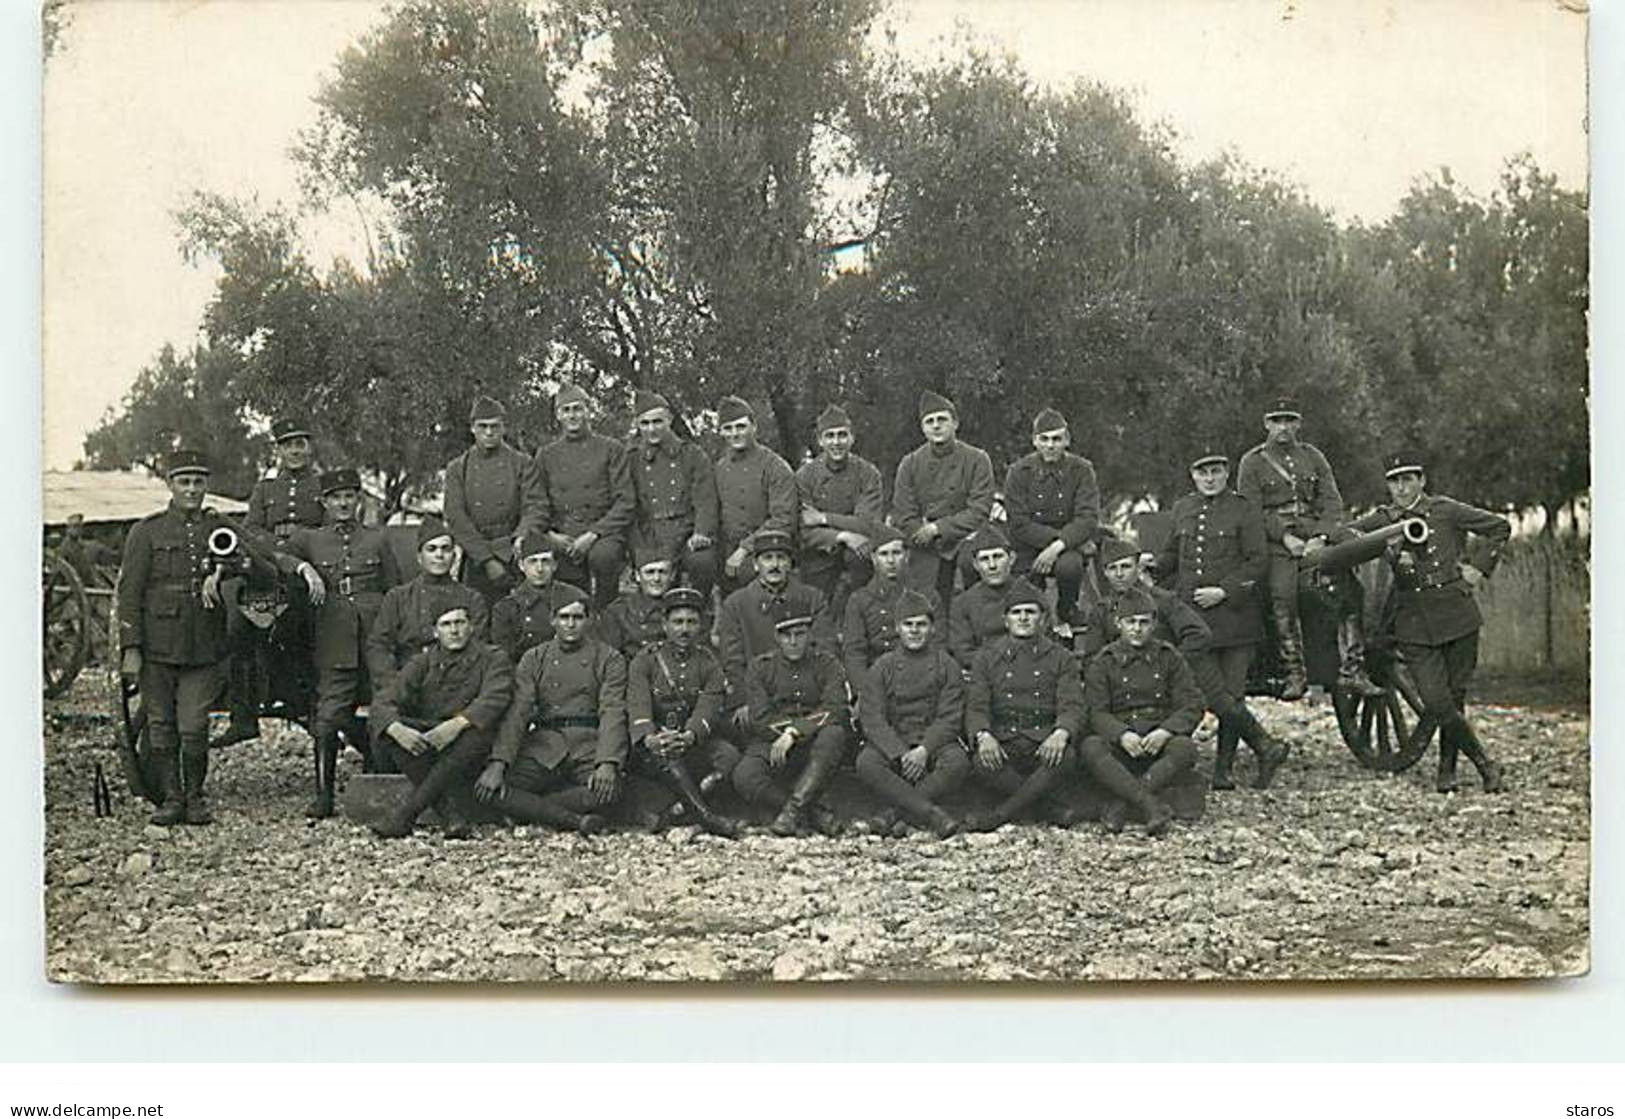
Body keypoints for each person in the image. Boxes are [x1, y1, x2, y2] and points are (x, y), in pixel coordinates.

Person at [117, 450, 273, 826]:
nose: (191, 490)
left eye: (198, 482)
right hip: (157, 646)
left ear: (206, 486)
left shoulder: (218, 527)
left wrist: (230, 567)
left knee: (193, 724)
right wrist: (132, 649)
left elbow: (265, 573)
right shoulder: (147, 531)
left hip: (204, 646)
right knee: (161, 724)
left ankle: (195, 797)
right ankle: (171, 799)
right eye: (184, 482)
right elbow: (129, 594)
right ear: (170, 485)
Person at [1340, 451, 1511, 793]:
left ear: (1422, 480)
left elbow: (1499, 527)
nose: (1401, 488)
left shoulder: (1444, 510)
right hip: (1413, 623)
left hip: (1457, 614)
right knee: (1436, 701)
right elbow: (1347, 537)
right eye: (1394, 481)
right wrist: (1328, 537)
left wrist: (1478, 569)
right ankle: (1485, 764)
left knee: (1455, 697)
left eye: (1408, 479)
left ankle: (1446, 771)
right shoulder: (1385, 519)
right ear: (1387, 486)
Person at [1153, 447, 1291, 790]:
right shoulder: (1183, 508)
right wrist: (1153, 566)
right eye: (1203, 472)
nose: (1209, 478)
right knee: (1214, 694)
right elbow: (1173, 554)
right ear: (1193, 476)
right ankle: (1266, 745)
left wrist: (1225, 591)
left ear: (1226, 473)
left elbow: (1257, 561)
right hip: (1192, 620)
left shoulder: (1244, 510)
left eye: (1215, 471)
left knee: (1232, 693)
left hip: (1235, 618)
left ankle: (1224, 771)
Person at [277, 467, 402, 816]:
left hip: (375, 632)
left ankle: (385, 778)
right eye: (336, 498)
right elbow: (277, 556)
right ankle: (323, 795)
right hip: (333, 634)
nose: (343, 503)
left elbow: (393, 589)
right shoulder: (311, 539)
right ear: (324, 503)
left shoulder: (377, 539)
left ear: (358, 500)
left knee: (385, 700)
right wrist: (306, 569)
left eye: (349, 496)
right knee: (330, 713)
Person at [1237, 397, 1376, 699]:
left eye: (1289, 420)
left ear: (1298, 423)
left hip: (1315, 535)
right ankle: (1294, 672)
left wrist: (1321, 536)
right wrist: (1286, 538)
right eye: (1277, 421)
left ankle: (1353, 668)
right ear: (1267, 425)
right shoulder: (1253, 462)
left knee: (1351, 590)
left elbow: (1331, 502)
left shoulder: (1313, 457)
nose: (1283, 427)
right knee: (1283, 594)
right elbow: (1250, 511)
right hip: (1276, 543)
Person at [477, 597, 627, 833]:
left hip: (588, 741)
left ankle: (529, 810)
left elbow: (613, 710)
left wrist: (607, 762)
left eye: (577, 617)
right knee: (491, 789)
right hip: (546, 742)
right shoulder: (534, 657)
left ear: (588, 620)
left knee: (611, 791)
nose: (570, 624)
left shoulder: (609, 658)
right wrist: (499, 763)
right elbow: (518, 712)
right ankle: (574, 820)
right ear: (552, 620)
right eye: (564, 617)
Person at [222, 415, 326, 747]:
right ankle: (243, 715)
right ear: (278, 450)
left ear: (309, 447)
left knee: (300, 625)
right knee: (238, 625)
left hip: (309, 572)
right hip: (266, 570)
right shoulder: (265, 488)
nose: (295, 451)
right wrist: (278, 553)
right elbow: (251, 529)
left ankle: (301, 699)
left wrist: (300, 553)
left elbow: (331, 531)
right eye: (287, 445)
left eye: (300, 444)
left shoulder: (324, 487)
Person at [369, 605, 513, 840]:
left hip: (470, 741)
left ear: (471, 627)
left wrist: (457, 724)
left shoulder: (493, 657)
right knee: (386, 730)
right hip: (432, 741)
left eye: (460, 623)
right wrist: (397, 729)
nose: (454, 631)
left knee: (476, 735)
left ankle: (407, 814)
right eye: (446, 625)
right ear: (435, 632)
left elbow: (495, 698)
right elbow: (386, 699)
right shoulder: (422, 662)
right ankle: (450, 814)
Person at [1079, 588, 1204, 835]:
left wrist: (1166, 731)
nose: (1137, 629)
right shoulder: (1104, 661)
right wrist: (1121, 734)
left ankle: (1121, 803)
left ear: (1154, 624)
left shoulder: (1169, 657)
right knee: (1091, 747)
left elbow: (1191, 703)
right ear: (1118, 624)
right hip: (1123, 741)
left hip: (1157, 736)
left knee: (1185, 748)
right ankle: (1150, 805)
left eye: (1143, 622)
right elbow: (1095, 711)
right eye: (1130, 622)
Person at [962, 588, 1083, 832]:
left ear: (1044, 619)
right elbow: (976, 706)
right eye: (1016, 613)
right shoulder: (987, 658)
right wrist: (983, 735)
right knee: (981, 762)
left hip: (1044, 738)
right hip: (1005, 739)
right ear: (1006, 620)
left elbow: (1072, 704)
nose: (1024, 618)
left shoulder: (1061, 657)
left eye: (1031, 612)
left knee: (1066, 757)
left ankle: (999, 815)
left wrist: (1061, 733)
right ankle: (1046, 807)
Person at [626, 587, 742, 838]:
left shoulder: (708, 662)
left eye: (691, 622)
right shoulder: (645, 660)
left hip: (692, 741)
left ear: (701, 626)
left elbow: (709, 706)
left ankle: (678, 810)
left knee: (729, 757)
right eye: (677, 622)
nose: (684, 629)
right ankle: (707, 818)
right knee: (667, 756)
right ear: (665, 625)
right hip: (654, 745)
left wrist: (690, 735)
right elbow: (638, 705)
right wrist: (649, 736)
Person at [854, 590, 967, 838]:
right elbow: (872, 716)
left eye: (921, 625)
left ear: (933, 628)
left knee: (957, 761)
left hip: (932, 740)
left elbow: (950, 716)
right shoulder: (883, 666)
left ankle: (891, 815)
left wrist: (924, 749)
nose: (915, 631)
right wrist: (901, 753)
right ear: (897, 628)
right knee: (866, 763)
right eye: (908, 625)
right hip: (896, 739)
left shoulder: (946, 665)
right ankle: (931, 814)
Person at [732, 614, 851, 836]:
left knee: (834, 734)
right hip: (772, 741)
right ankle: (813, 814)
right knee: (744, 775)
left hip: (815, 744)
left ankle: (792, 814)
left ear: (810, 635)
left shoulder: (827, 664)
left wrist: (795, 731)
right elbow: (760, 718)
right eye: (787, 636)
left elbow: (836, 707)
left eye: (800, 634)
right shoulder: (760, 667)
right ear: (777, 637)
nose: (794, 641)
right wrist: (786, 732)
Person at [715, 529, 835, 723]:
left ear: (790, 564)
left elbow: (825, 649)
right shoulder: (736, 604)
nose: (775, 565)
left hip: (807, 696)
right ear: (755, 564)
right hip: (758, 698)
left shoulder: (813, 598)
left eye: (781, 558)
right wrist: (743, 700)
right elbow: (732, 660)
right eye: (767, 558)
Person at [366, 519, 490, 707]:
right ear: (419, 556)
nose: (439, 555)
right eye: (431, 549)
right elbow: (379, 646)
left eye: (445, 549)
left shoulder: (472, 599)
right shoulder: (398, 597)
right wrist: (394, 685)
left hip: (455, 687)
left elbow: (478, 648)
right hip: (406, 684)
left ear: (454, 556)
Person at [532, 383, 635, 607]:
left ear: (589, 410)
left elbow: (625, 501)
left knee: (604, 557)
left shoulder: (611, 449)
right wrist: (550, 535)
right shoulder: (546, 455)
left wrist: (594, 534)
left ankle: (607, 617)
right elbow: (537, 501)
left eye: (578, 409)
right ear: (558, 415)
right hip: (564, 533)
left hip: (603, 532)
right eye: (566, 410)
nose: (573, 415)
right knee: (564, 580)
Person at [892, 390, 996, 609]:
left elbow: (979, 510)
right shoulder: (910, 463)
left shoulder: (977, 459)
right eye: (930, 421)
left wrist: (938, 528)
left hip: (965, 538)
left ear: (955, 423)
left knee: (972, 570)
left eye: (942, 419)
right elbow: (903, 513)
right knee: (923, 600)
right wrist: (922, 533)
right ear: (923, 428)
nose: (936, 426)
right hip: (924, 542)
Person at [1002, 407, 1101, 628]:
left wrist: (1057, 547)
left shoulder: (1082, 470)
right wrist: (1057, 540)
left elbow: (1087, 517)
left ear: (1067, 440)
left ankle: (1067, 609)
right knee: (1021, 587)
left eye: (1056, 439)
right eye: (1044, 439)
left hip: (1067, 546)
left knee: (1070, 567)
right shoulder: (1019, 472)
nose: (1050, 445)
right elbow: (1018, 522)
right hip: (1028, 543)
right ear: (1034, 441)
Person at [443, 395, 541, 603]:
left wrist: (521, 537)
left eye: (495, 426)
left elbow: (535, 506)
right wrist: (486, 560)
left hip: (514, 553)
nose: (489, 432)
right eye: (483, 426)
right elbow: (455, 517)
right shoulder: (457, 468)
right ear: (472, 428)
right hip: (476, 556)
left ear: (504, 428)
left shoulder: (523, 463)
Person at [626, 390, 720, 597]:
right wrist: (637, 543)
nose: (652, 429)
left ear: (669, 419)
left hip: (685, 531)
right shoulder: (631, 460)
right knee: (652, 574)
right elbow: (627, 504)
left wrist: (701, 532)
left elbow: (706, 500)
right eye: (645, 423)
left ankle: (697, 612)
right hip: (648, 535)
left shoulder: (692, 455)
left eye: (658, 421)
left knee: (702, 561)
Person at [795, 404, 885, 617]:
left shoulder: (868, 473)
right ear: (820, 440)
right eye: (830, 436)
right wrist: (842, 535)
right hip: (819, 551)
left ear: (852, 438)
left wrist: (823, 517)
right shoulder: (805, 476)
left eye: (842, 435)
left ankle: (858, 620)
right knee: (813, 606)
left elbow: (868, 524)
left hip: (857, 551)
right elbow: (804, 528)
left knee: (862, 558)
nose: (836, 442)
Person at [713, 395, 798, 595]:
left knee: (745, 574)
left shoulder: (775, 467)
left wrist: (744, 549)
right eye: (728, 428)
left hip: (766, 544)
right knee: (702, 563)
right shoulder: (720, 467)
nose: (735, 434)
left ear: (754, 426)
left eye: (741, 427)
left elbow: (783, 519)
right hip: (727, 544)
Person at [840, 526, 942, 687]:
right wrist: (865, 689)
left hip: (920, 674)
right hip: (878, 679)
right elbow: (854, 653)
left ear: (907, 556)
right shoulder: (860, 600)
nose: (890, 561)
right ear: (873, 558)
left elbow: (938, 644)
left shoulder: (927, 596)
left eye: (896, 553)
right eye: (884, 554)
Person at [948, 525, 1048, 670]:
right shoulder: (962, 603)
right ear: (975, 564)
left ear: (1012, 558)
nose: (992, 565)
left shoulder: (1034, 596)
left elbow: (1045, 642)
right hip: (985, 672)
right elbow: (963, 652)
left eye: (998, 556)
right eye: (984, 559)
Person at [489, 531, 591, 664]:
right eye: (532, 562)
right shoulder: (506, 607)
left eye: (545, 561)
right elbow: (503, 658)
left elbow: (589, 648)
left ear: (555, 565)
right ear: (521, 565)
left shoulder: (575, 598)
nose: (539, 569)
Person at [596, 548, 674, 659]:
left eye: (662, 572)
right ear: (637, 575)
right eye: (650, 572)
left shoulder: (685, 610)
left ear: (672, 575)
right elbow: (610, 659)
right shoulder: (618, 612)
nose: (656, 579)